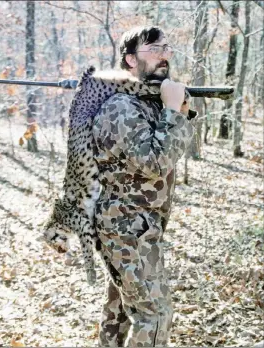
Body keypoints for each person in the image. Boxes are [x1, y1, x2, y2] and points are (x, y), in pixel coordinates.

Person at [92, 26, 195, 347]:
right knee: (156, 314)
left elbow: (167, 148)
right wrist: (171, 111)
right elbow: (155, 163)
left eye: (166, 48)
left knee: (120, 310)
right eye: (154, 49)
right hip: (126, 231)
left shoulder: (145, 101)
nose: (164, 55)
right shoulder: (120, 106)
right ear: (130, 60)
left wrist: (180, 113)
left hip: (137, 226)